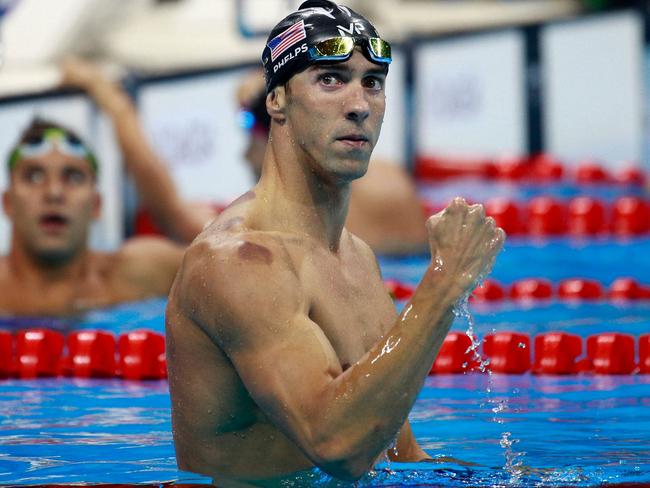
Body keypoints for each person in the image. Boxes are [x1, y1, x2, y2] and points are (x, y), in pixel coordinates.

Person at [165, 0, 504, 484]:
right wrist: (444, 283)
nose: (359, 104)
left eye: (373, 81)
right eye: (330, 79)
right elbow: (336, 447)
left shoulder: (357, 258)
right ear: (277, 99)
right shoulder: (237, 261)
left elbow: (399, 457)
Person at [0, 119, 184, 316]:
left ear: (96, 205)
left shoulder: (140, 274)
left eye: (73, 177)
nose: (54, 192)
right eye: (34, 176)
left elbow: (211, 260)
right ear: (8, 202)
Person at [239, 68, 429, 255]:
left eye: (251, 140)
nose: (245, 155)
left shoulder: (289, 222)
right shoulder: (388, 176)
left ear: (280, 135)